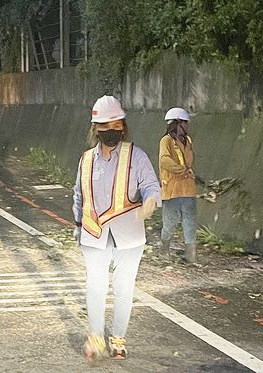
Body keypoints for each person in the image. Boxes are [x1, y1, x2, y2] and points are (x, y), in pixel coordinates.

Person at [72, 95, 161, 362]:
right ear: (95, 128)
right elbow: (78, 195)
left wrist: (151, 201)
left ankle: (118, 338)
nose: (112, 130)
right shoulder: (86, 160)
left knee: (123, 289)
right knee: (95, 287)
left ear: (123, 126)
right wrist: (78, 225)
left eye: (116, 124)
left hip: (129, 236)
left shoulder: (137, 156)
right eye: (106, 125)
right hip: (93, 234)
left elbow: (151, 186)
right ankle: (96, 337)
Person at [157, 107, 197, 263]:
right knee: (170, 222)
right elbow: (164, 160)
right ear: (177, 123)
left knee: (189, 222)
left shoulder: (188, 141)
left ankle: (191, 256)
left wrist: (188, 172)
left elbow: (188, 162)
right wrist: (182, 170)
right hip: (172, 190)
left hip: (188, 189)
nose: (187, 126)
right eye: (185, 123)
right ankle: (164, 250)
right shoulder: (166, 141)